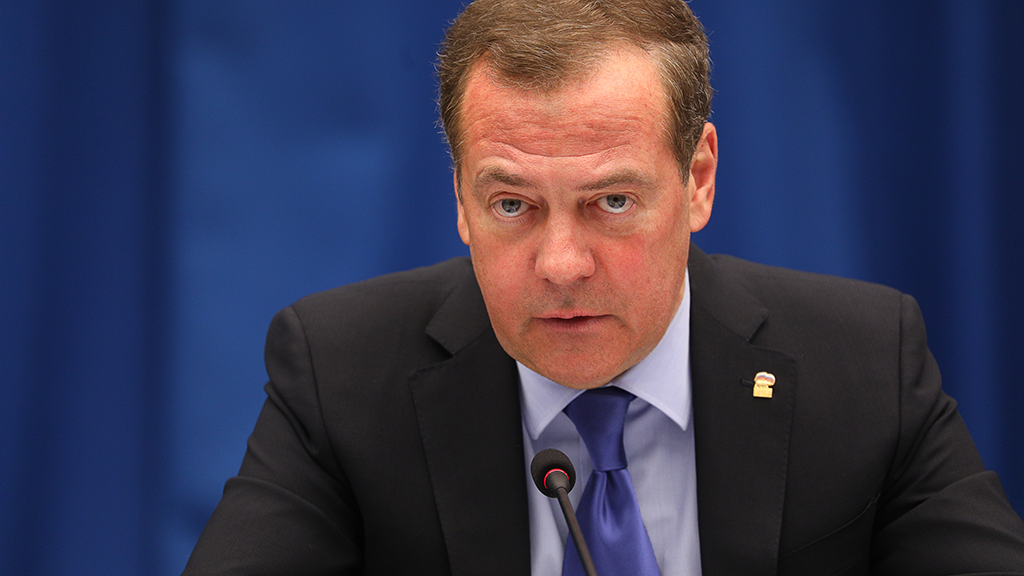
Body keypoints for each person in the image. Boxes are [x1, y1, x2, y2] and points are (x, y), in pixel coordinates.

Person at [182, 0, 1024, 574]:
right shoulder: (341, 375)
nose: (560, 264)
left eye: (612, 202)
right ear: (461, 202)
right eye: (512, 204)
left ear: (697, 180)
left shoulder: (864, 363)